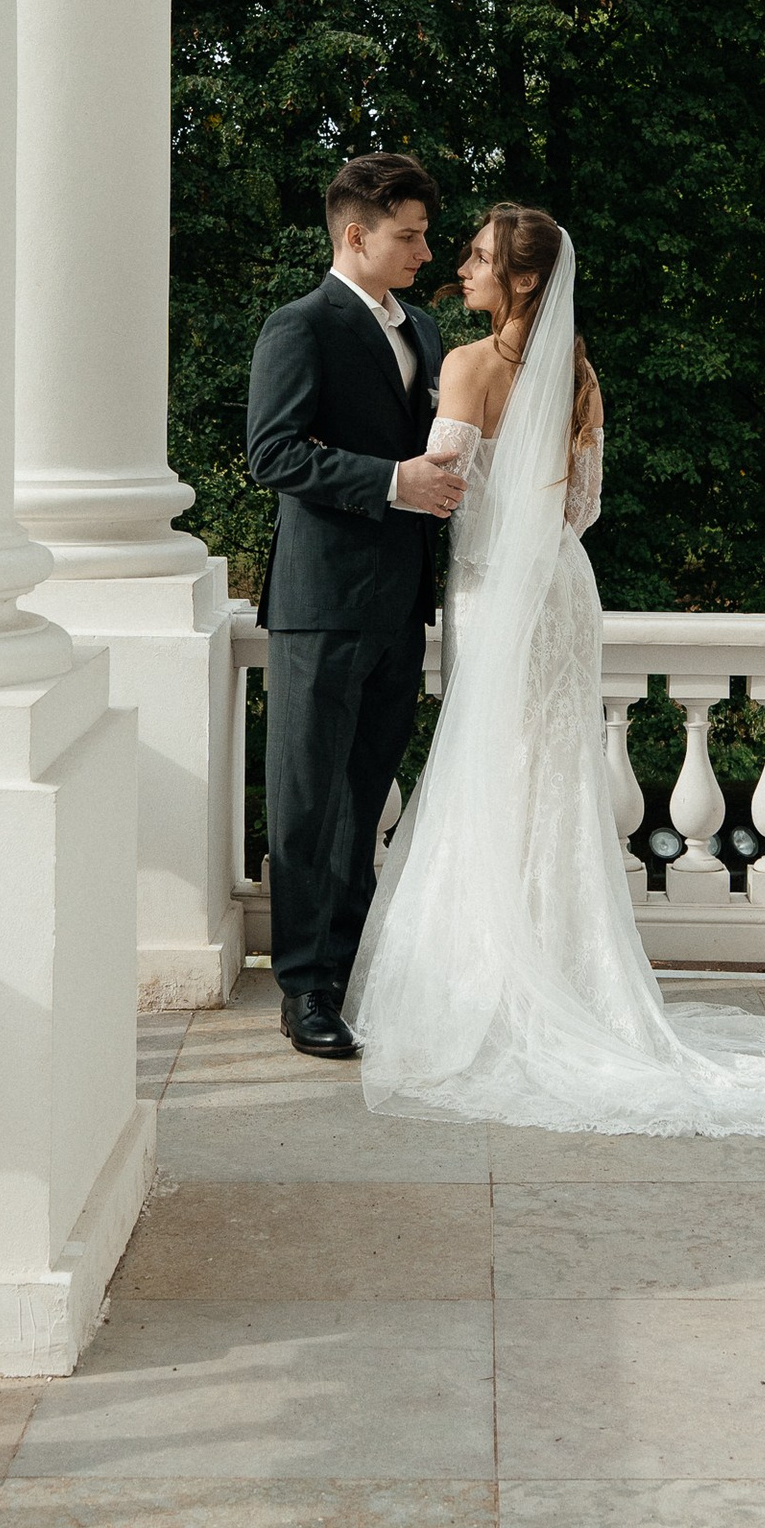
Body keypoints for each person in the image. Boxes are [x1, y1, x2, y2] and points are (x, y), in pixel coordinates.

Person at [346, 207, 765, 1140]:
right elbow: (583, 509)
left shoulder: (465, 364)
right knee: (554, 781)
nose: (461, 267)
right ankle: (567, 974)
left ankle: (493, 987)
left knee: (494, 777)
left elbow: (443, 490)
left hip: (500, 590)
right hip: (563, 593)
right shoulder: (578, 375)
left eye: (480, 258)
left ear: (523, 281)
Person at [245, 153, 464, 1060]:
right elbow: (274, 454)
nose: (424, 250)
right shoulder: (300, 327)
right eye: (409, 235)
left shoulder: (425, 327)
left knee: (364, 796)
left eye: (422, 233)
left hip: (400, 606)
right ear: (356, 234)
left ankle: (345, 969)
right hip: (321, 603)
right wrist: (392, 482)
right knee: (305, 804)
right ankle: (302, 990)